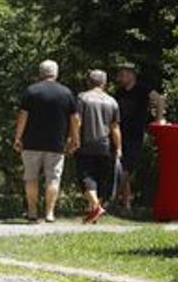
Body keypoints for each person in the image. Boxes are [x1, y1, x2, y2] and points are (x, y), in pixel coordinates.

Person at [13, 60, 80, 223]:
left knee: (31, 178)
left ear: (40, 73)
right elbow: (75, 118)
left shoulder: (31, 91)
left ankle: (32, 212)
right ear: (56, 73)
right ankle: (50, 213)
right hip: (56, 143)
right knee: (53, 178)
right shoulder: (66, 93)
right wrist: (74, 139)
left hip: (31, 143)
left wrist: (18, 137)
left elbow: (23, 116)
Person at [114, 62, 166, 211]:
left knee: (127, 168)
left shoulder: (143, 89)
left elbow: (160, 99)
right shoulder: (120, 92)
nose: (120, 77)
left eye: (123, 74)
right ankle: (126, 204)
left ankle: (113, 200)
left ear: (132, 75)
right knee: (123, 167)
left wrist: (158, 119)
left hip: (135, 134)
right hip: (120, 133)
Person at [76, 70, 122, 224]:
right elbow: (115, 127)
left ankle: (95, 207)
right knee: (99, 179)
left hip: (86, 144)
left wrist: (73, 140)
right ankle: (93, 213)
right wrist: (119, 147)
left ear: (89, 82)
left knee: (85, 177)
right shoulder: (112, 101)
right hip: (105, 146)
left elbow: (77, 121)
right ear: (104, 83)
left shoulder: (82, 98)